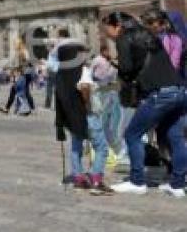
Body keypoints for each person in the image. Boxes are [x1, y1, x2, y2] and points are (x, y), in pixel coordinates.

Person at [102, 11, 187, 197]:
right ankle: (178, 184)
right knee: (175, 136)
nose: (106, 33)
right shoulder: (148, 34)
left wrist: (117, 68)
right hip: (179, 91)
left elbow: (126, 69)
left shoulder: (124, 38)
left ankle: (137, 181)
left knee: (132, 134)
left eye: (106, 29)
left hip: (159, 94)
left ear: (117, 26)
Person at [55, 42, 110, 192]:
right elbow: (85, 87)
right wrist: (85, 105)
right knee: (101, 147)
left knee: (76, 147)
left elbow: (58, 100)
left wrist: (60, 123)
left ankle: (78, 177)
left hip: (71, 117)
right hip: (87, 115)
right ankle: (95, 177)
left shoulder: (60, 74)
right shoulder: (82, 71)